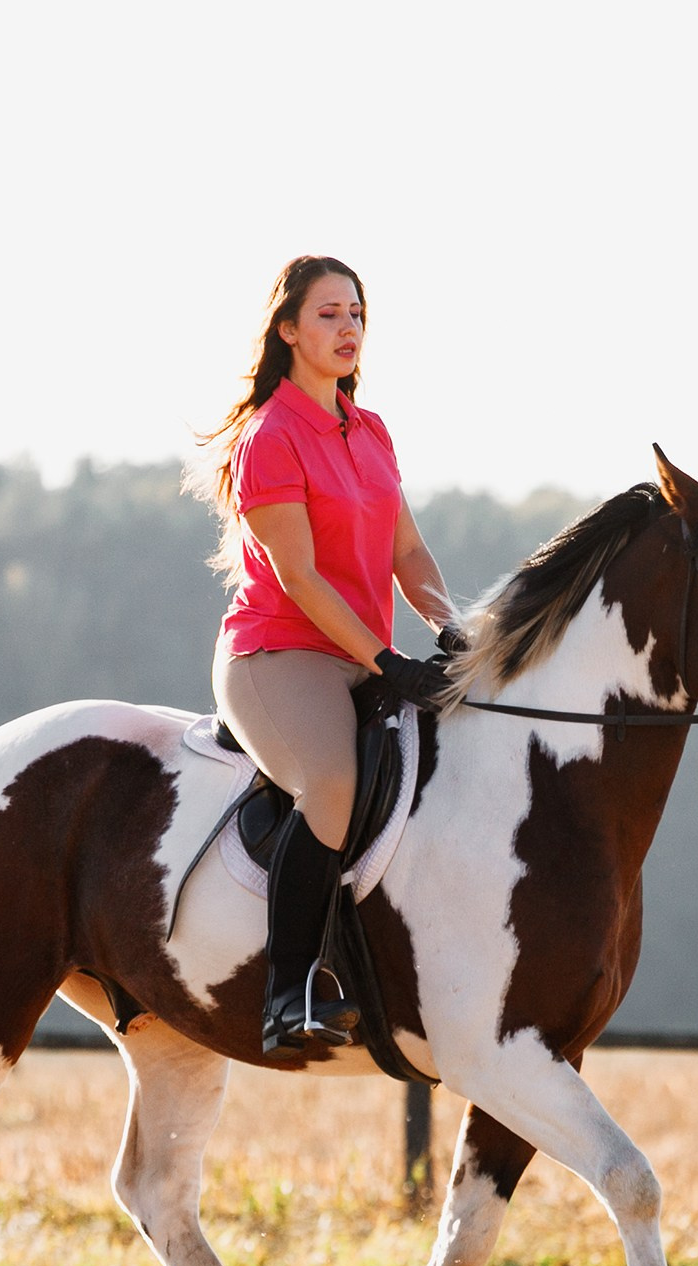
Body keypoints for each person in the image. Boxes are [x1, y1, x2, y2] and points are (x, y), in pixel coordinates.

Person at [196, 255, 461, 1056]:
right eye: (329, 314)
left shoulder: (368, 429)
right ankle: (288, 994)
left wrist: (452, 628)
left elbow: (407, 550)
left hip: (361, 652)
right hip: (277, 653)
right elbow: (301, 579)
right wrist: (386, 660)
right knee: (333, 780)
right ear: (288, 330)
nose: (349, 329)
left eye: (357, 314)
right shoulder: (270, 437)